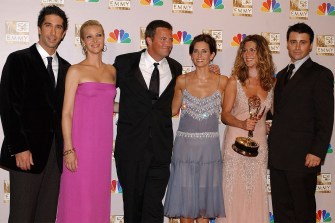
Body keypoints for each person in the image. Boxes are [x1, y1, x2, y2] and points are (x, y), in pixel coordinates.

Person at [0, 5, 70, 222]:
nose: (53, 32)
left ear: (64, 33)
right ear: (39, 28)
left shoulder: (68, 69)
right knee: (22, 216)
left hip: (55, 156)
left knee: (46, 217)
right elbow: (9, 106)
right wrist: (19, 147)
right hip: (26, 154)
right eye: (48, 25)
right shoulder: (18, 59)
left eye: (58, 27)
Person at [113, 20, 183, 223]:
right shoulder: (124, 63)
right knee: (133, 207)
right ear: (149, 40)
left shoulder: (176, 68)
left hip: (161, 149)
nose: (168, 43)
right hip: (130, 149)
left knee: (153, 208)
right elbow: (103, 92)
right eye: (163, 39)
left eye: (170, 39)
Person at [268, 23, 334, 223]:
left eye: (302, 42)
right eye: (293, 42)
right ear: (287, 44)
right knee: (281, 210)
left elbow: (326, 117)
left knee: (302, 211)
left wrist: (317, 151)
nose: (297, 47)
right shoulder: (281, 75)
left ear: (311, 45)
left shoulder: (320, 74)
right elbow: (278, 111)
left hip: (304, 157)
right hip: (279, 156)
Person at [56, 20, 117, 223]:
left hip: (102, 146)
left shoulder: (112, 71)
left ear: (104, 37)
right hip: (80, 145)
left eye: (98, 35)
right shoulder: (75, 71)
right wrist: (68, 148)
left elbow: (109, 104)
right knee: (77, 199)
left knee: (97, 198)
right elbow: (66, 113)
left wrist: (142, 107)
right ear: (82, 41)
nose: (94, 40)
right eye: (89, 36)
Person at [164, 34, 227, 223]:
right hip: (185, 149)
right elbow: (172, 110)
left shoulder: (223, 82)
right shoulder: (181, 81)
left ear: (212, 55)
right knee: (186, 206)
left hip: (209, 150)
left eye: (204, 51)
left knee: (204, 207)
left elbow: (229, 113)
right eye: (196, 51)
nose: (199, 55)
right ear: (191, 55)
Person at [216, 35, 276, 223]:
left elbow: (277, 114)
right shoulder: (235, 81)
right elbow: (225, 115)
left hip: (259, 148)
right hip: (235, 146)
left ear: (262, 53)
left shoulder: (272, 84)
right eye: (244, 50)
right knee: (232, 194)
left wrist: (269, 124)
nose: (247, 54)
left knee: (255, 194)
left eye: (252, 50)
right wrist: (242, 124)